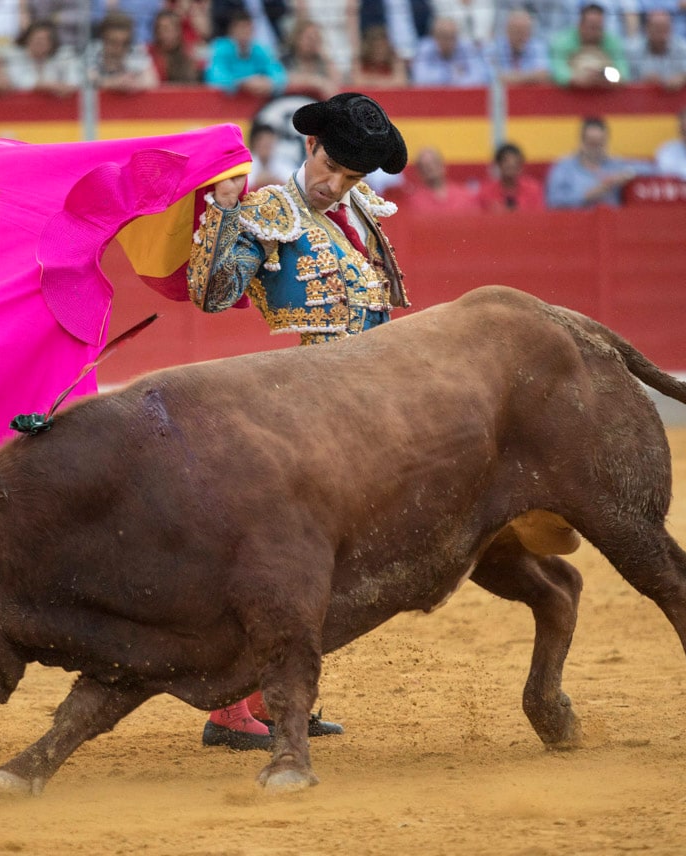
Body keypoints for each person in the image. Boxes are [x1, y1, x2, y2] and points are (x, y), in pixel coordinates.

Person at [187, 93, 409, 748]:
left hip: (357, 411)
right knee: (288, 567)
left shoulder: (359, 213)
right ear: (310, 146)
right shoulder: (264, 213)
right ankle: (233, 710)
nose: (335, 184)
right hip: (295, 416)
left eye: (351, 177)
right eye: (332, 167)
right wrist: (224, 213)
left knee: (330, 568)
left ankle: (287, 698)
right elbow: (214, 294)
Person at [545, 116, 653, 209]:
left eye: (600, 143)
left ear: (606, 142)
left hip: (612, 225)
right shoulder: (564, 167)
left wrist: (627, 174)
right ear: (581, 142)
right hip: (575, 224)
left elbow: (653, 169)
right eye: (591, 143)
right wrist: (588, 195)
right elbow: (553, 201)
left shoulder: (615, 165)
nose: (595, 148)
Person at [204, 8, 286, 96]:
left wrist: (270, 83)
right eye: (241, 28)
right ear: (232, 30)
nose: (244, 32)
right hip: (226, 104)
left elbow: (279, 73)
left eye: (248, 28)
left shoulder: (260, 50)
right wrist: (241, 83)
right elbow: (214, 76)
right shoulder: (220, 48)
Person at [549, 3, 629, 88]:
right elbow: (558, 73)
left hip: (604, 97)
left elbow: (623, 75)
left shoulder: (613, 43)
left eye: (599, 27)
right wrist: (579, 78)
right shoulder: (562, 42)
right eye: (591, 27)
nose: (595, 32)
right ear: (580, 25)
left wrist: (605, 76)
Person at [392, 145, 480, 213]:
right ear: (419, 171)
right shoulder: (413, 201)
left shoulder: (465, 196)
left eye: (433, 163)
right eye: (425, 166)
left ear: (443, 165)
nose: (430, 168)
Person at [4, 19, 81, 94]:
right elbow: (19, 82)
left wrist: (65, 87)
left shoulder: (64, 55)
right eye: (36, 39)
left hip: (56, 104)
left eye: (44, 40)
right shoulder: (15, 55)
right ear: (27, 39)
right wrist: (49, 86)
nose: (39, 43)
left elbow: (74, 80)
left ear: (52, 43)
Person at [91, 11, 160, 92]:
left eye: (124, 43)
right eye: (113, 42)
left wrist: (135, 84)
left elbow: (153, 82)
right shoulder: (92, 51)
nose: (118, 48)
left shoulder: (135, 51)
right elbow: (85, 79)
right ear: (103, 38)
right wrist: (114, 83)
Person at [410, 17, 490, 85]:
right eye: (445, 37)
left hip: (462, 97)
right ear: (434, 36)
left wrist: (449, 81)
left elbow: (480, 77)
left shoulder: (466, 47)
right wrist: (451, 74)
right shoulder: (425, 48)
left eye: (453, 37)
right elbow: (420, 78)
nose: (449, 42)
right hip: (432, 98)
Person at [628, 8, 686, 89]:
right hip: (644, 98)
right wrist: (643, 80)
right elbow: (628, 80)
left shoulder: (683, 47)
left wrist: (684, 77)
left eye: (665, 28)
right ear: (647, 29)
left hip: (677, 97)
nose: (662, 33)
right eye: (657, 28)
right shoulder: (634, 50)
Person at [282, 16, 342, 98]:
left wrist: (325, 56)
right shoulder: (286, 59)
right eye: (309, 38)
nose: (312, 42)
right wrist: (316, 82)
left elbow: (338, 83)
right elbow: (284, 78)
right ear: (297, 39)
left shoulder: (322, 61)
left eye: (316, 38)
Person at [487, 8, 551, 85]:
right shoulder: (495, 47)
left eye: (525, 32)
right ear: (507, 30)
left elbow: (544, 75)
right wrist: (530, 78)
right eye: (518, 32)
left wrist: (512, 78)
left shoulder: (538, 47)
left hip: (531, 96)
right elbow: (491, 77)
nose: (522, 37)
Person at [476, 142, 545, 212]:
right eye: (506, 162)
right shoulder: (486, 191)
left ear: (521, 166)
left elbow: (539, 215)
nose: (511, 166)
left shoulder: (533, 189)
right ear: (498, 165)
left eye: (515, 163)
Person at [148, 8, 203, 83]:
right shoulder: (148, 54)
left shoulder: (190, 54)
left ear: (179, 31)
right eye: (160, 29)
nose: (164, 34)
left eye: (170, 29)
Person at [351, 22, 408, 86]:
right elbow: (358, 83)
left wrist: (371, 81)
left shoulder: (395, 59)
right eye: (376, 47)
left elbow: (400, 83)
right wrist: (386, 82)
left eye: (383, 47)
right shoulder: (359, 61)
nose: (380, 51)